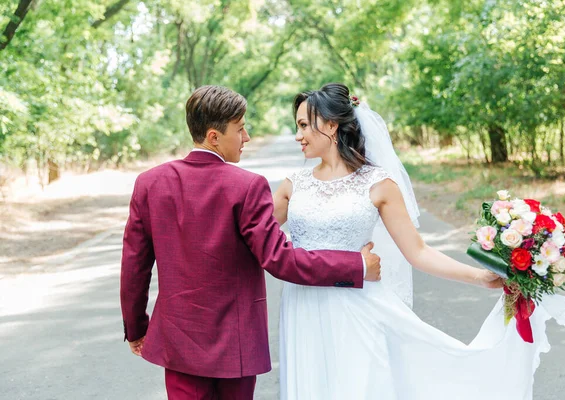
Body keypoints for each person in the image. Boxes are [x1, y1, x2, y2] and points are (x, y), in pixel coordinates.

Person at [273, 83, 565, 400]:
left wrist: (482, 277)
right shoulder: (292, 186)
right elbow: (257, 238)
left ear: (331, 124)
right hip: (301, 306)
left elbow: (418, 251)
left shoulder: (378, 184)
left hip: (356, 308)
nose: (298, 135)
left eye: (303, 125)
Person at [120, 85, 382, 400]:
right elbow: (281, 260)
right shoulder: (247, 187)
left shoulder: (149, 183)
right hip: (237, 345)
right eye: (241, 129)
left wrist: (136, 328)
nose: (246, 137)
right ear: (215, 137)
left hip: (179, 343)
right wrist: (356, 264)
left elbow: (134, 266)